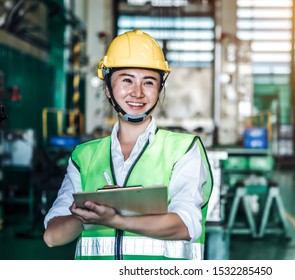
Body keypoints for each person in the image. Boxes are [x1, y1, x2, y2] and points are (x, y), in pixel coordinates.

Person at [43, 29, 213, 260]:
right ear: (108, 89)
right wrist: (87, 215)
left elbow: (186, 225)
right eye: (126, 80)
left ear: (160, 89)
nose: (138, 92)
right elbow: (53, 237)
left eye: (149, 82)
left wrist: (113, 218)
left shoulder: (183, 150)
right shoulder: (84, 156)